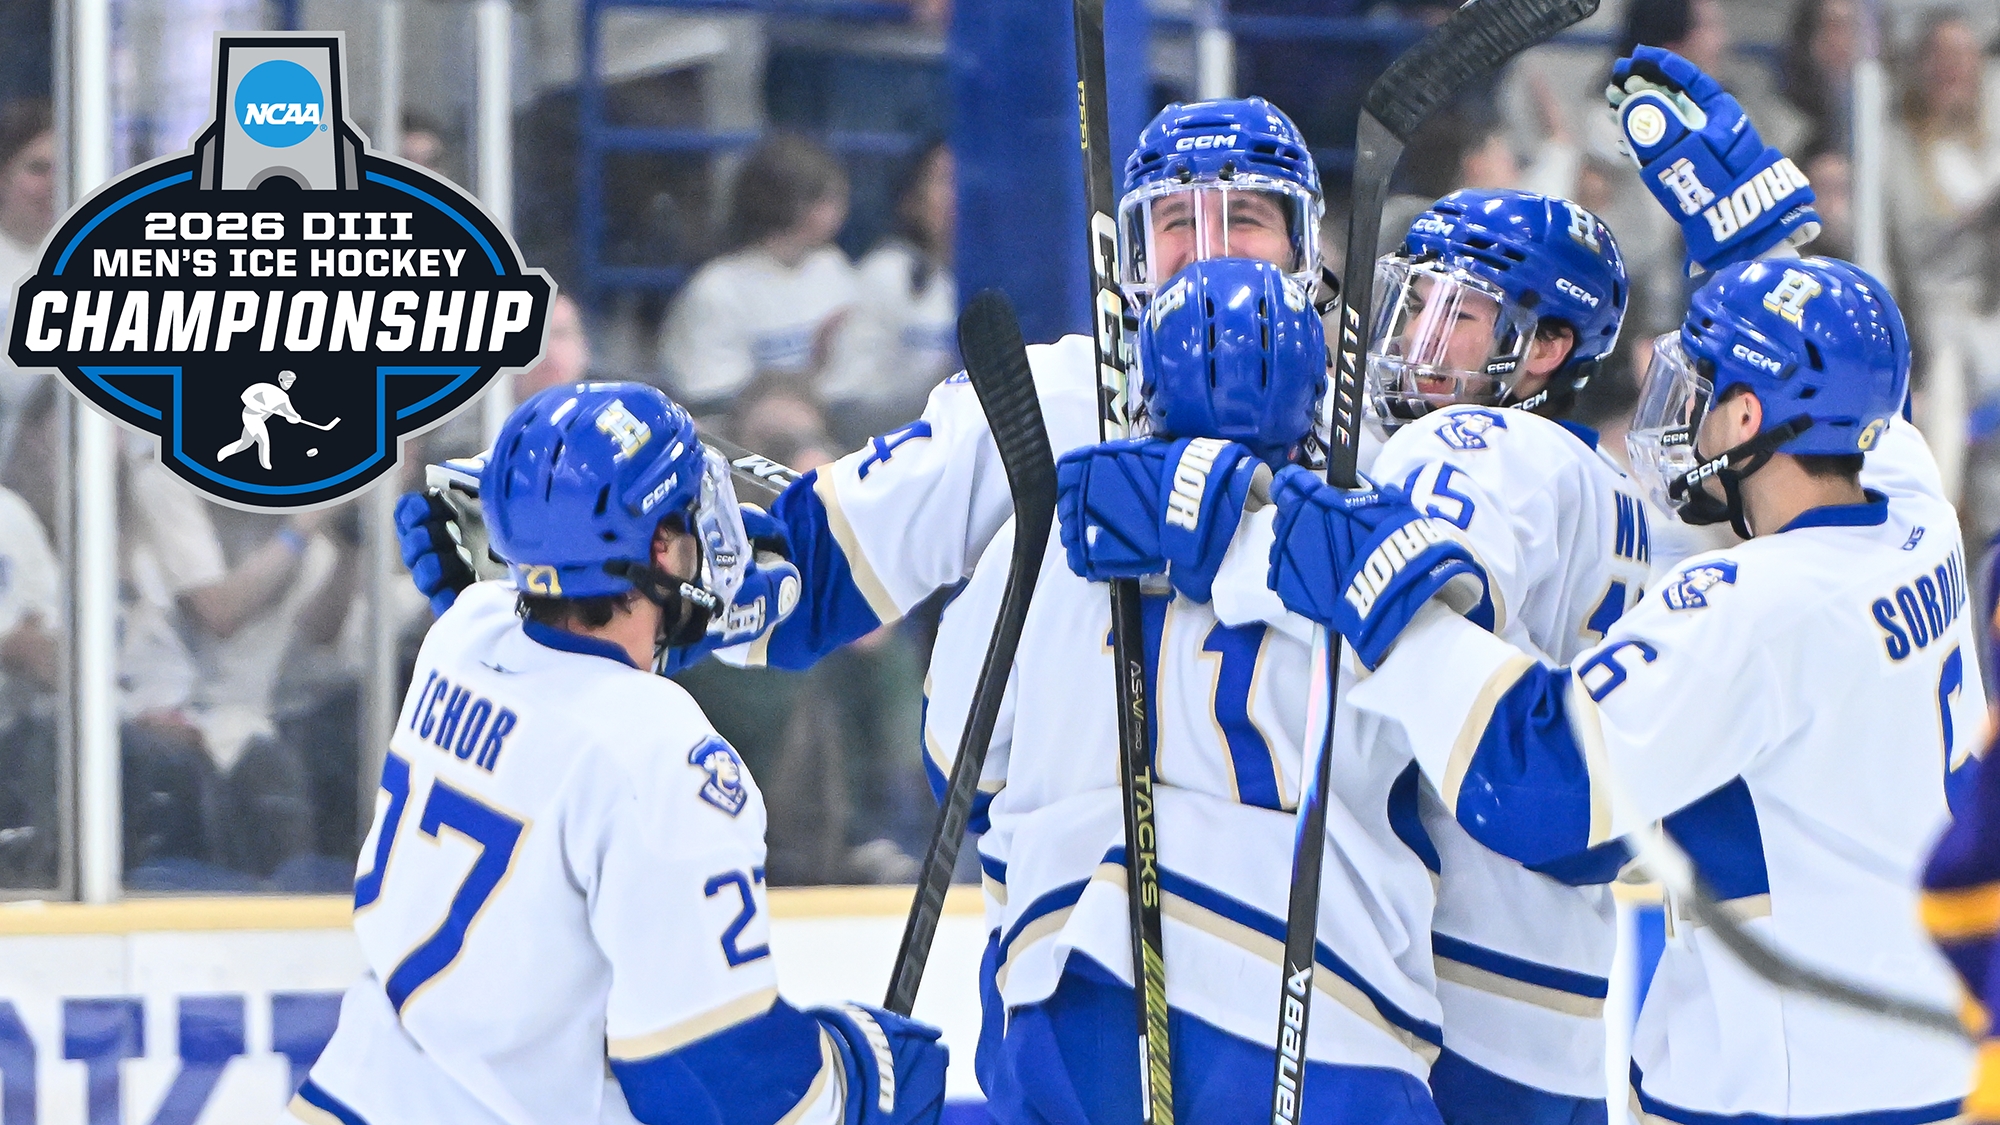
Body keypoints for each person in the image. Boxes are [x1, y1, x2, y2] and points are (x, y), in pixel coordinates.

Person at [293, 382, 946, 1125]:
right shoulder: (663, 755)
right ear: (662, 550)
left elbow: (572, 650)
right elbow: (703, 1069)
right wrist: (853, 1081)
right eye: (690, 516)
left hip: (344, 1097)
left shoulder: (464, 633)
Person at [656, 131, 860, 413]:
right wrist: (809, 373)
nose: (841, 210)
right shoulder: (718, 289)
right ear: (794, 203)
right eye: (828, 198)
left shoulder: (832, 269)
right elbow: (710, 400)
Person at [216, 370, 312, 471]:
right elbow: (245, 396)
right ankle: (266, 466)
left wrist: (296, 417)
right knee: (264, 441)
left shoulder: (284, 398)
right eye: (288, 382)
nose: (289, 385)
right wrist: (258, 406)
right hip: (250, 416)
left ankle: (222, 453)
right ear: (280, 380)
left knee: (246, 442)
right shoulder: (264, 387)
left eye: (291, 382)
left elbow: (289, 415)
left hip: (260, 420)